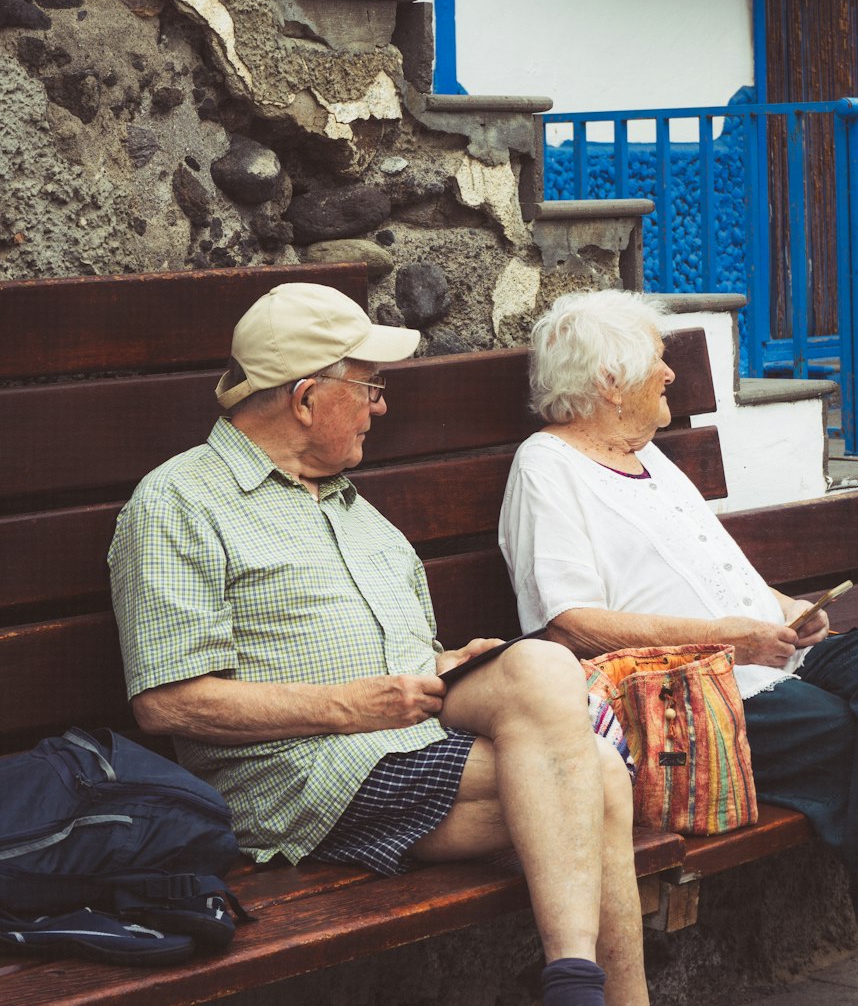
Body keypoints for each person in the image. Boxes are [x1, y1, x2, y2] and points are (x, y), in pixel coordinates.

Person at [108, 282, 647, 1006]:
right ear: (305, 399)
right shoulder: (179, 502)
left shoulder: (355, 509)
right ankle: (590, 991)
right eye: (368, 387)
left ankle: (576, 986)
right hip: (297, 776)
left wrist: (441, 665)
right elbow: (168, 705)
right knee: (600, 777)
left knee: (542, 665)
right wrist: (350, 707)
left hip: (405, 739)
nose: (381, 405)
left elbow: (401, 657)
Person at [499, 287, 858, 1006]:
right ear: (608, 383)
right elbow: (567, 624)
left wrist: (787, 609)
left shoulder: (651, 460)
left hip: (768, 664)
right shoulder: (547, 468)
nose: (670, 374)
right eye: (657, 362)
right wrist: (730, 638)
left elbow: (721, 578)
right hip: (684, 703)